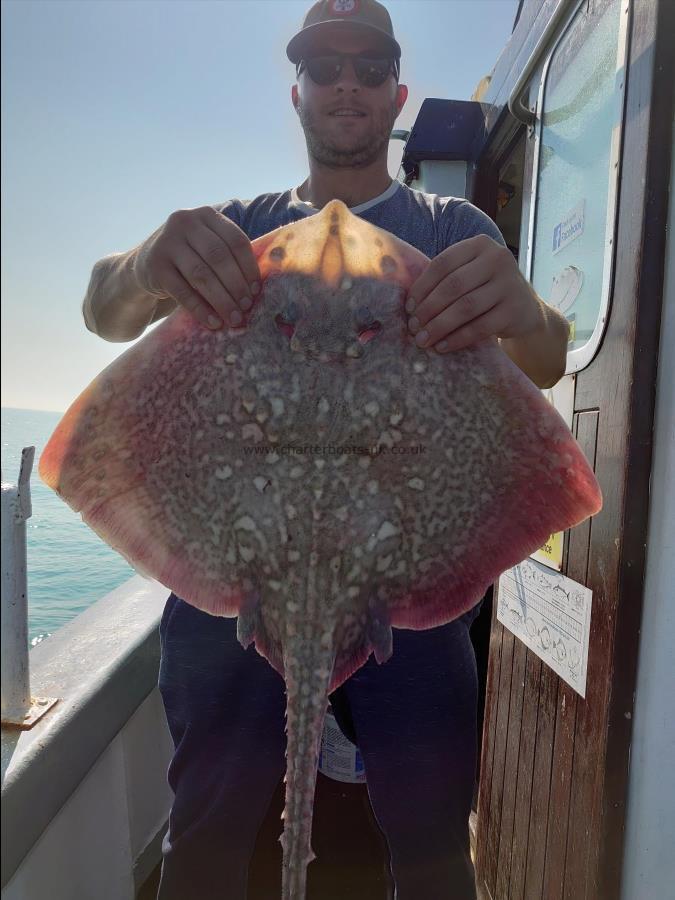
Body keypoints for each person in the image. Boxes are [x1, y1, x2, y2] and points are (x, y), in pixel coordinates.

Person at [83, 2, 570, 898]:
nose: (347, 82)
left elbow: (543, 359)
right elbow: (104, 309)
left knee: (430, 840)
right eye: (325, 66)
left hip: (406, 580)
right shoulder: (236, 229)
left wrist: (526, 309)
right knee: (206, 833)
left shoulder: (454, 230)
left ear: (397, 95)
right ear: (297, 92)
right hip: (238, 576)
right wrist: (148, 258)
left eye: (369, 67)